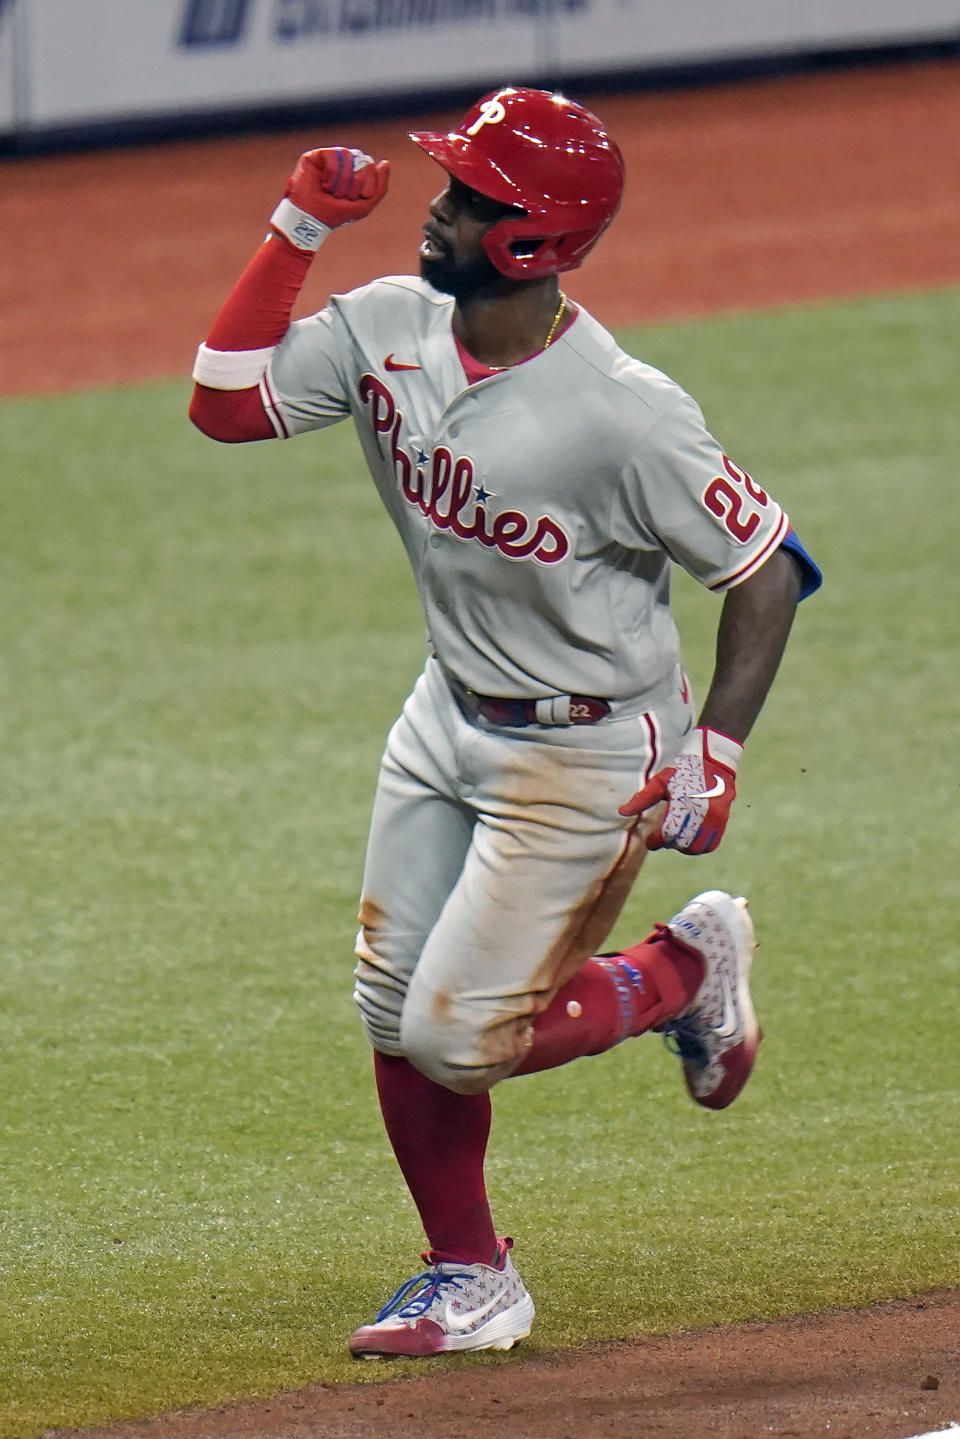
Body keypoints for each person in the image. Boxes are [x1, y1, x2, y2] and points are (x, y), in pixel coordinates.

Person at [189, 85, 821, 1360]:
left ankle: (679, 973)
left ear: (532, 241)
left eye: (472, 197)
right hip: (445, 715)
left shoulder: (624, 410)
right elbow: (226, 402)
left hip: (590, 753)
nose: (439, 207)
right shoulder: (386, 327)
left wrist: (720, 748)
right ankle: (470, 1273)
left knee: (454, 1036)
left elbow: (765, 567)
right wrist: (296, 226)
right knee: (388, 1007)